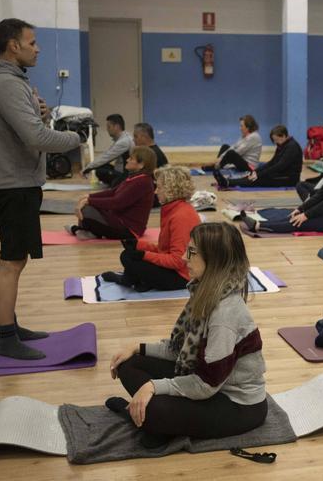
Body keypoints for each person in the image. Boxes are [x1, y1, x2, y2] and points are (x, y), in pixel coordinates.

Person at [107, 222, 267, 448]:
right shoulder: (204, 291)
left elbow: (206, 385)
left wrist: (153, 386)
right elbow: (178, 350)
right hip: (207, 383)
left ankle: (148, 420)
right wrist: (137, 347)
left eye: (191, 252)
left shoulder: (225, 315)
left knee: (155, 409)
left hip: (238, 405)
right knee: (128, 363)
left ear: (215, 259)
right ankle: (152, 422)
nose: (183, 257)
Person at [0, 18, 82, 359]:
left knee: (16, 259)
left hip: (18, 179)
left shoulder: (12, 81)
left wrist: (42, 114)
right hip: (13, 183)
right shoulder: (6, 84)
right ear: (13, 45)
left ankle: (12, 325)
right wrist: (74, 138)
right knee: (11, 261)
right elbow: (35, 138)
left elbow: (32, 129)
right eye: (32, 42)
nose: (37, 49)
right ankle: (7, 338)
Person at [102, 166, 200, 291]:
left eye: (159, 187)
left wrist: (144, 255)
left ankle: (131, 280)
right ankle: (138, 281)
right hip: (181, 270)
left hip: (183, 277)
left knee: (128, 257)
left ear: (171, 190)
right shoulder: (176, 209)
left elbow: (178, 261)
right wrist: (139, 245)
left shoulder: (181, 216)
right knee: (131, 254)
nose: (155, 191)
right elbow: (165, 250)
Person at [244, 141, 323, 233]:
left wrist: (306, 215)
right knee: (295, 216)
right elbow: (320, 194)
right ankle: (259, 223)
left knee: (299, 222)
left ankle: (258, 226)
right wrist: (301, 209)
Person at [66, 146, 156, 240]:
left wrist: (89, 201)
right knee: (88, 205)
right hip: (119, 221)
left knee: (87, 209)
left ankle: (83, 230)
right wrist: (88, 196)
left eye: (131, 158)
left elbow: (117, 202)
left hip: (128, 230)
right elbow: (113, 192)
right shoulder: (135, 177)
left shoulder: (143, 182)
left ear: (141, 164)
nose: (127, 160)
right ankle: (87, 231)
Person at [223, 125, 303, 188]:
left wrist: (259, 174)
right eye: (274, 140)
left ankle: (229, 183)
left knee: (258, 179)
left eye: (277, 140)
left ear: (284, 136)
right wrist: (256, 171)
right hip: (280, 174)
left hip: (288, 179)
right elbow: (272, 162)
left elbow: (279, 166)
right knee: (254, 175)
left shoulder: (292, 147)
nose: (275, 142)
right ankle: (229, 181)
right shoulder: (282, 144)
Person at [82, 114, 134, 187]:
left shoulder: (124, 142)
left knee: (100, 171)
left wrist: (87, 168)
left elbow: (106, 157)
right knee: (102, 166)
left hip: (126, 174)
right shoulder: (122, 138)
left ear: (117, 127)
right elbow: (106, 154)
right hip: (122, 170)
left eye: (109, 127)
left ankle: (119, 183)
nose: (107, 129)